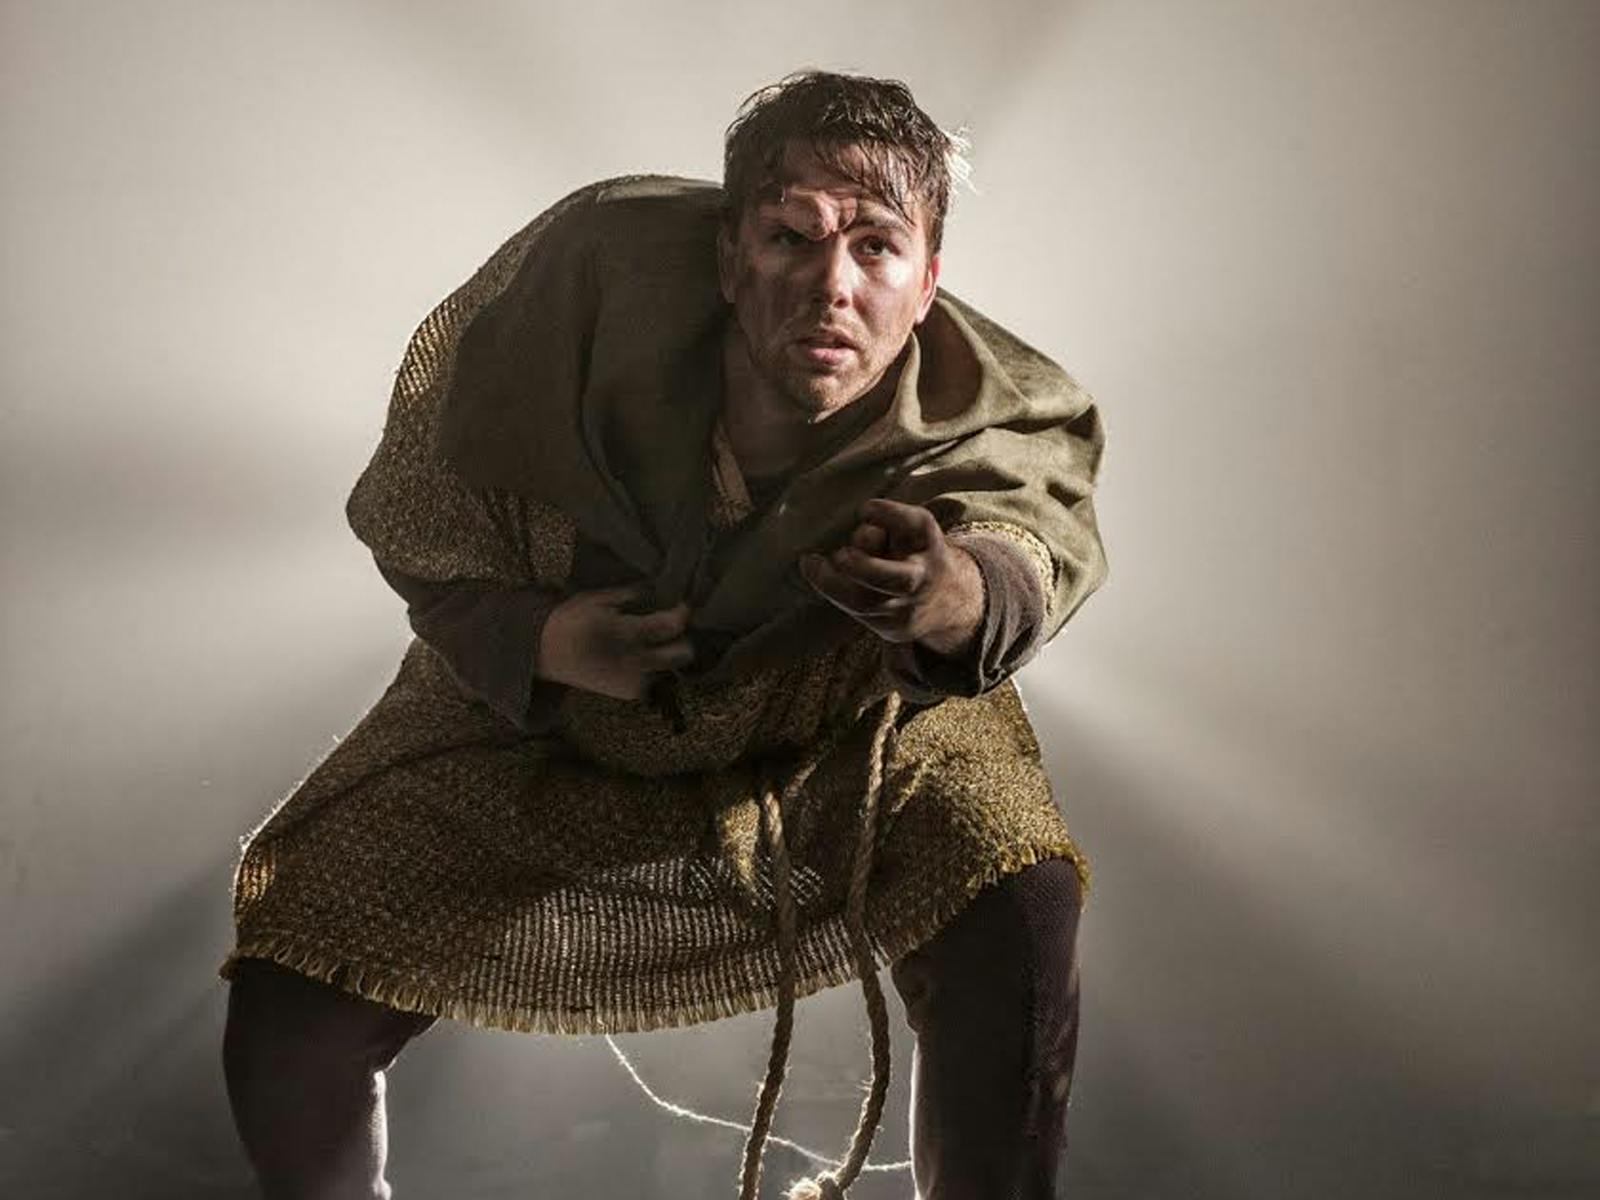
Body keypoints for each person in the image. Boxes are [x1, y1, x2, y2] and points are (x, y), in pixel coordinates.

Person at [221, 70, 1108, 1200]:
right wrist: (541, 638)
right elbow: (419, 508)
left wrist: (948, 596)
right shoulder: (589, 291)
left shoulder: (997, 405)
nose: (832, 286)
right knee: (294, 968)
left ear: (928, 279)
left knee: (1020, 897)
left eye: (877, 248)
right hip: (545, 728)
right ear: (731, 256)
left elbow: (1028, 535)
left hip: (841, 726)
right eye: (791, 238)